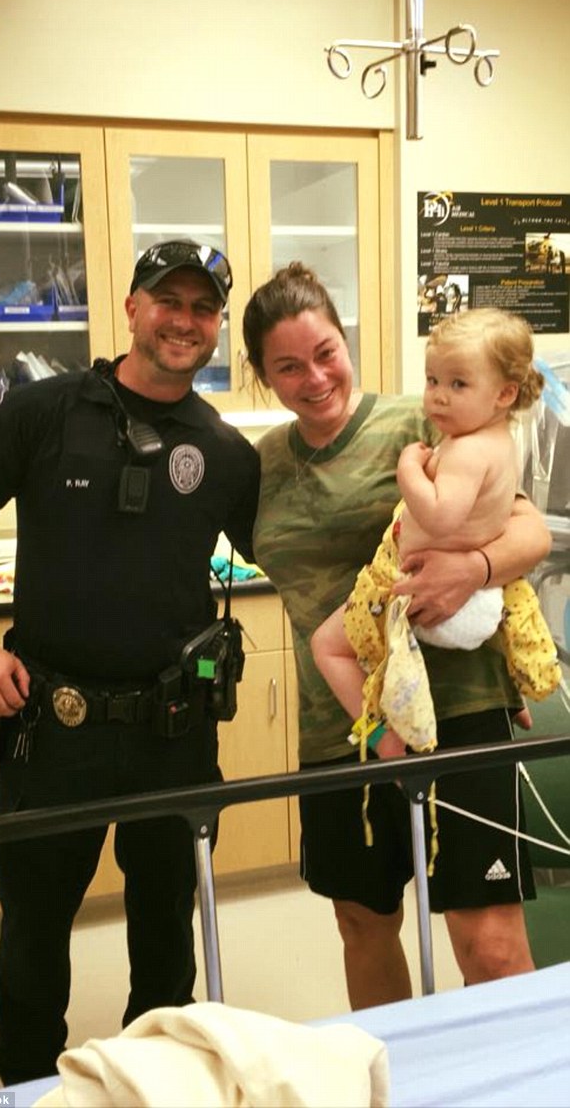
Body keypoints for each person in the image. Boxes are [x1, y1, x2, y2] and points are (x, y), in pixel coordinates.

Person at [0, 239, 260, 1085]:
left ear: (217, 323)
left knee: (166, 936)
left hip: (174, 732)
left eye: (203, 307)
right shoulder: (44, 411)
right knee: (34, 930)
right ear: (131, 306)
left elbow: (302, 548)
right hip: (53, 726)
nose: (184, 321)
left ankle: (155, 1089)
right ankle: (28, 1089)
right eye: (169, 300)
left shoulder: (226, 452)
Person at [243, 262, 551, 1012]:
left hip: (459, 712)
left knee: (489, 941)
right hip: (341, 727)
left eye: (326, 352)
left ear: (345, 342)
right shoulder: (260, 466)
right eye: (287, 365)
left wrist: (472, 566)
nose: (314, 377)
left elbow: (532, 532)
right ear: (261, 376)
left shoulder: (424, 421)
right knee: (363, 922)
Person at [312, 308, 560, 760]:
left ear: (505, 393)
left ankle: (382, 739)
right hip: (489, 594)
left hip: (420, 589)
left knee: (328, 648)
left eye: (457, 384)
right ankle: (517, 698)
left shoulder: (466, 449)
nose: (437, 397)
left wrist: (408, 467)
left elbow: (442, 515)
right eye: (432, 381)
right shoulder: (500, 439)